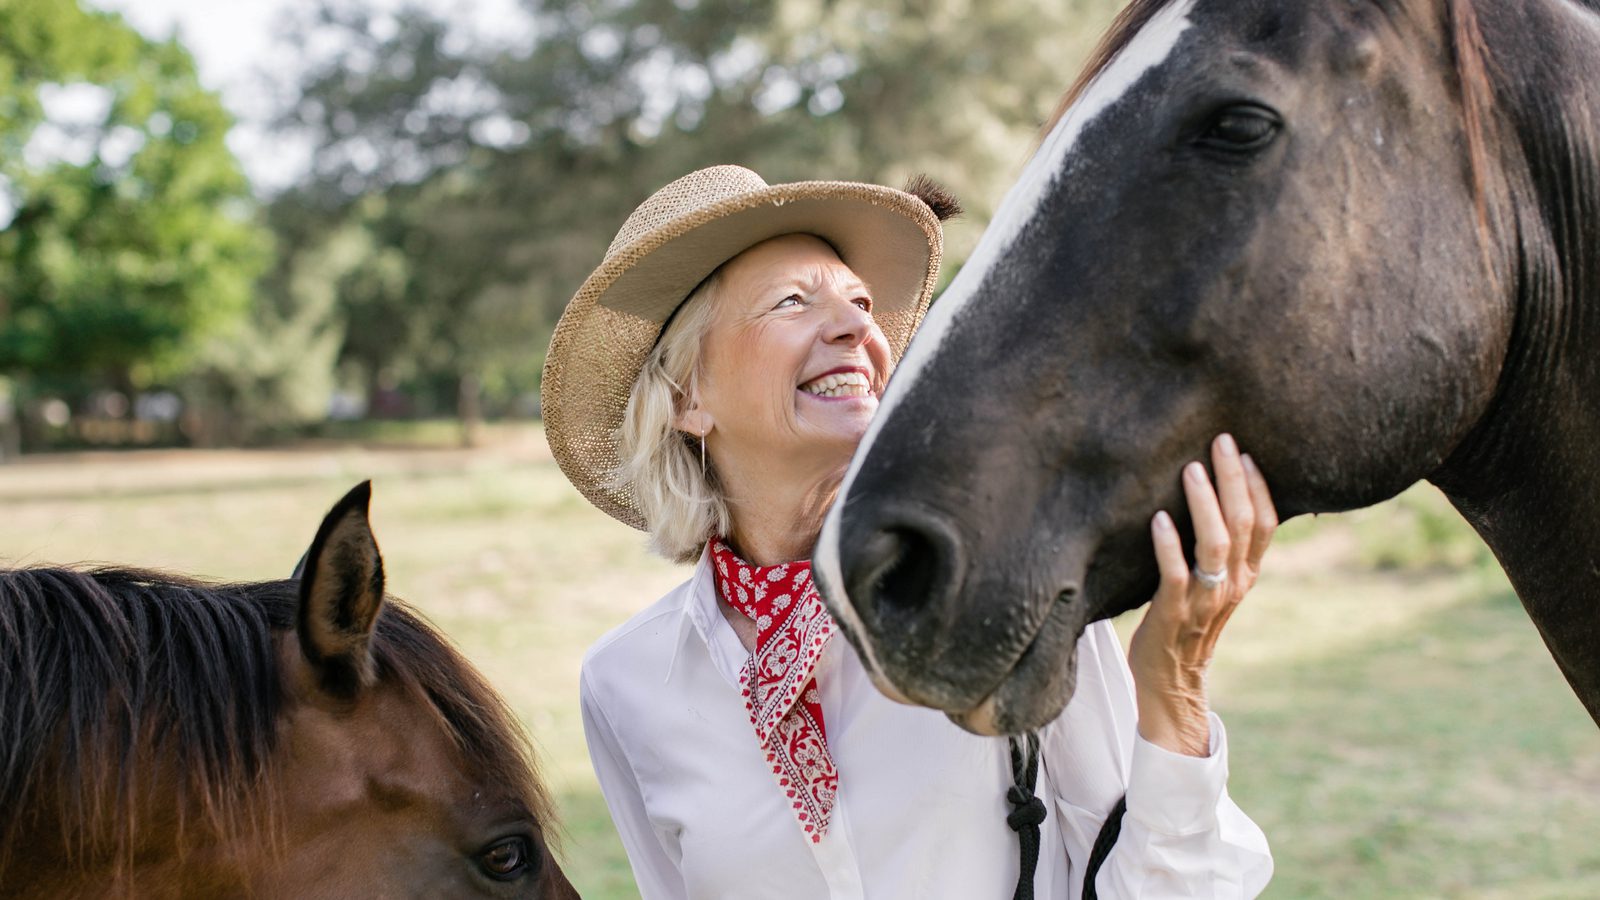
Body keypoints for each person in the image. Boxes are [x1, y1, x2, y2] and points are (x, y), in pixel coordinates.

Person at [542, 165, 1276, 898]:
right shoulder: (628, 683)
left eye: (859, 302)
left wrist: (1174, 689)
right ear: (685, 395)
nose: (859, 327)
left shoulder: (1008, 585)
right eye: (791, 302)